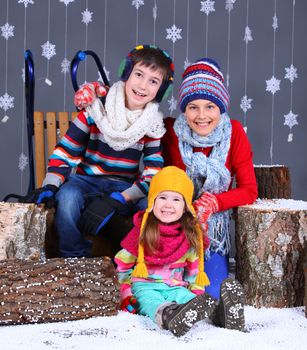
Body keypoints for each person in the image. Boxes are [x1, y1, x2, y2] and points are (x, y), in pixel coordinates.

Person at [25, 44, 174, 258]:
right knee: (67, 198)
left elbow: (153, 175)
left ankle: (136, 260)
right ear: (126, 74)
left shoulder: (152, 126)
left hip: (123, 187)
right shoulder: (96, 109)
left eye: (153, 81)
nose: (143, 85)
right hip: (86, 181)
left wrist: (120, 199)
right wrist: (50, 184)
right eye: (139, 75)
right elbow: (65, 153)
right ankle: (74, 257)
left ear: (161, 90)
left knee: (151, 206)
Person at [161, 58, 258, 299]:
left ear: (221, 107)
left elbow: (249, 190)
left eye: (210, 107)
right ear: (184, 109)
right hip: (173, 225)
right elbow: (135, 111)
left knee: (212, 293)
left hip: (212, 232)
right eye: (193, 107)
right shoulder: (170, 131)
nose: (201, 116)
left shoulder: (234, 133)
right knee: (169, 288)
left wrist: (213, 202)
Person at [114, 166, 245, 337]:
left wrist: (197, 295)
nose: (168, 205)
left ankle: (222, 314)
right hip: (145, 286)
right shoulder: (143, 230)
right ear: (152, 201)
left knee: (189, 299)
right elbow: (123, 263)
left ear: (186, 207)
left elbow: (194, 269)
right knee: (149, 302)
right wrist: (125, 292)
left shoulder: (189, 233)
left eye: (176, 199)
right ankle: (169, 316)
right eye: (162, 197)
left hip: (175, 286)